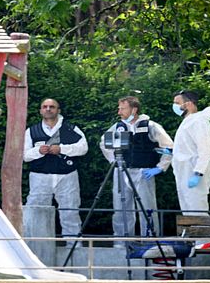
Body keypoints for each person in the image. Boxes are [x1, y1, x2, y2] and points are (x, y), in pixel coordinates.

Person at [100, 96, 173, 247]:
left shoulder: (150, 126)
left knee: (147, 207)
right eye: (119, 108)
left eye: (122, 108)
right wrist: (114, 161)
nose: (119, 112)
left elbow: (169, 147)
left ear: (134, 109)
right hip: (122, 170)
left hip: (144, 171)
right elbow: (104, 143)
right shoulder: (118, 127)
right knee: (121, 208)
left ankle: (150, 242)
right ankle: (122, 243)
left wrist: (160, 167)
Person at [24, 98, 88, 246]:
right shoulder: (32, 131)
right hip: (39, 177)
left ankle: (74, 248)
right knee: (36, 212)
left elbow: (83, 148)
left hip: (67, 176)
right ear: (40, 110)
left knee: (70, 212)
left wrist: (62, 149)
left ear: (58, 110)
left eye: (52, 107)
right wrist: (38, 151)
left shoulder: (71, 128)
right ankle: (34, 247)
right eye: (45, 106)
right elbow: (25, 155)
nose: (48, 109)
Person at [170, 90, 210, 215]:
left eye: (177, 103)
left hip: (194, 169)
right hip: (186, 170)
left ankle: (201, 228)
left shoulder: (198, 121)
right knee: (188, 207)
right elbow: (188, 147)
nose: (174, 106)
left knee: (197, 207)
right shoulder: (188, 121)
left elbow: (205, 149)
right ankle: (192, 227)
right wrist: (172, 152)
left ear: (189, 103)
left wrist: (198, 173)